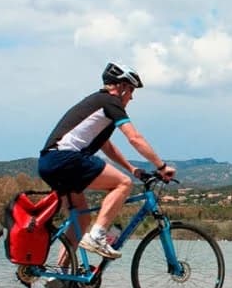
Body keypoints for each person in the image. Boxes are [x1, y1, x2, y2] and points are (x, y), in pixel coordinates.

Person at [37, 62, 176, 258]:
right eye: (131, 91)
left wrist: (132, 168)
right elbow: (134, 138)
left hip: (49, 162)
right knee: (123, 184)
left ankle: (62, 277)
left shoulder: (97, 103)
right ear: (121, 87)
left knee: (82, 220)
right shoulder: (111, 102)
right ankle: (97, 236)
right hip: (66, 158)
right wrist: (161, 166)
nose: (131, 97)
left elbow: (106, 145)